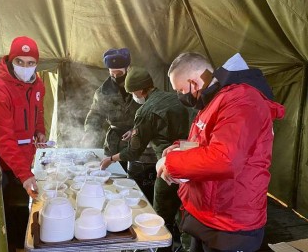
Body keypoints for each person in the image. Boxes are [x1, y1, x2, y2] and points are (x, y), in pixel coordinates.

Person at [157, 52, 285, 252]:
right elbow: (204, 144)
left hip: (230, 224)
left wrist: (170, 163)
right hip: (207, 216)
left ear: (194, 83)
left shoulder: (242, 100)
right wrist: (178, 149)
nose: (180, 96)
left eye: (181, 90)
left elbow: (224, 158)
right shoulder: (214, 101)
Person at [100, 66, 190, 251]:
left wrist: (111, 158)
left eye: (132, 92)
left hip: (169, 168)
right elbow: (161, 125)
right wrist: (136, 131)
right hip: (190, 163)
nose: (133, 95)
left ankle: (161, 247)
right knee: (184, 212)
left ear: (140, 90)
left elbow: (133, 152)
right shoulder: (172, 97)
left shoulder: (145, 111)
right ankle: (180, 243)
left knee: (161, 217)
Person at [0, 36, 47, 252]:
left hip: (25, 159)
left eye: (31, 63)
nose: (26, 67)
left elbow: (38, 110)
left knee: (23, 210)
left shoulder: (37, 83)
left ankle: (22, 244)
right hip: (5, 165)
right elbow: (3, 140)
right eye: (20, 62)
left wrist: (39, 131)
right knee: (10, 214)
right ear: (10, 60)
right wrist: (24, 175)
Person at [83, 48, 141, 171]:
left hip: (138, 145)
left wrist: (135, 130)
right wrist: (89, 133)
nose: (115, 77)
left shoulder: (141, 87)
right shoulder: (103, 92)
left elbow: (150, 115)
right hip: (113, 145)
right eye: (112, 73)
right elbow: (95, 115)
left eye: (119, 74)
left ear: (128, 68)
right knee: (114, 177)